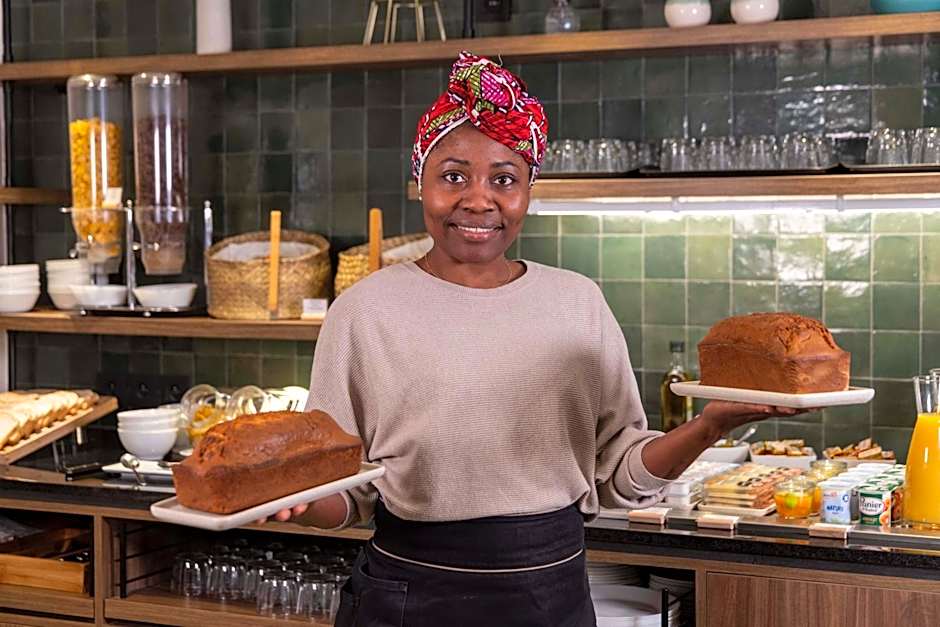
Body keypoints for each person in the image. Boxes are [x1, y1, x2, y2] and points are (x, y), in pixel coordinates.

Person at [265, 52, 803, 626]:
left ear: (528, 192)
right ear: (418, 183)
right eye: (452, 176)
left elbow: (621, 476)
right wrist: (294, 501)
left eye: (504, 179)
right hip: (409, 594)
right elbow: (345, 496)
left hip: (551, 594)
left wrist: (709, 425)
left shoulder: (578, 303)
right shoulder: (364, 311)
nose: (478, 199)